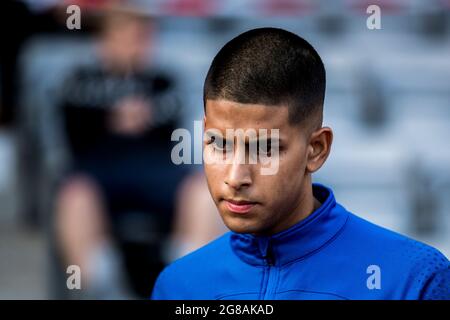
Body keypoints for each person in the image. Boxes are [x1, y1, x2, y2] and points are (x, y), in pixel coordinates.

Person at [151, 27, 450, 300]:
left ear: (316, 149)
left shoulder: (413, 279)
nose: (235, 176)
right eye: (219, 144)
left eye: (265, 148)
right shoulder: (178, 285)